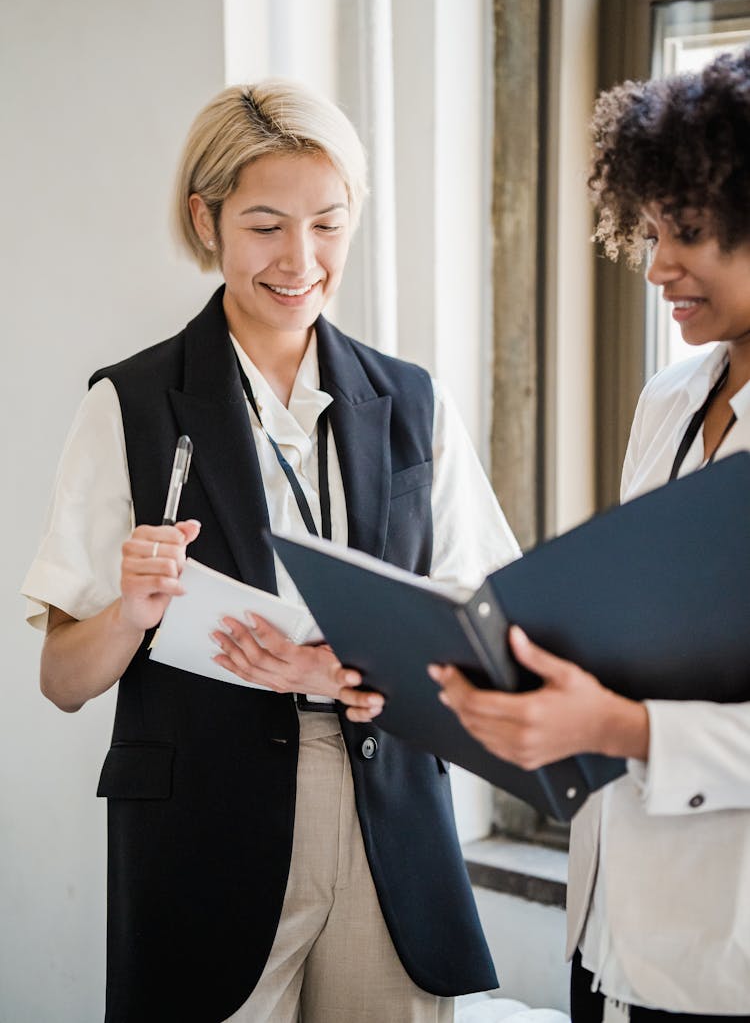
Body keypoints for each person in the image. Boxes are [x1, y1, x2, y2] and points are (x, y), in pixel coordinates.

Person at [22, 79, 520, 1023]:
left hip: (390, 823)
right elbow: (62, 678)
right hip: (206, 835)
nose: (301, 259)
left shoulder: (414, 402)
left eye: (328, 224)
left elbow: (489, 627)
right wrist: (133, 610)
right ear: (203, 220)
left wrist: (357, 667)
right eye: (265, 226)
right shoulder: (127, 405)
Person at [343, 47, 750, 1020]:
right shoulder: (673, 401)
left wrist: (622, 729)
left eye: (688, 234)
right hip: (616, 914)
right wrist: (459, 683)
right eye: (649, 232)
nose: (657, 268)